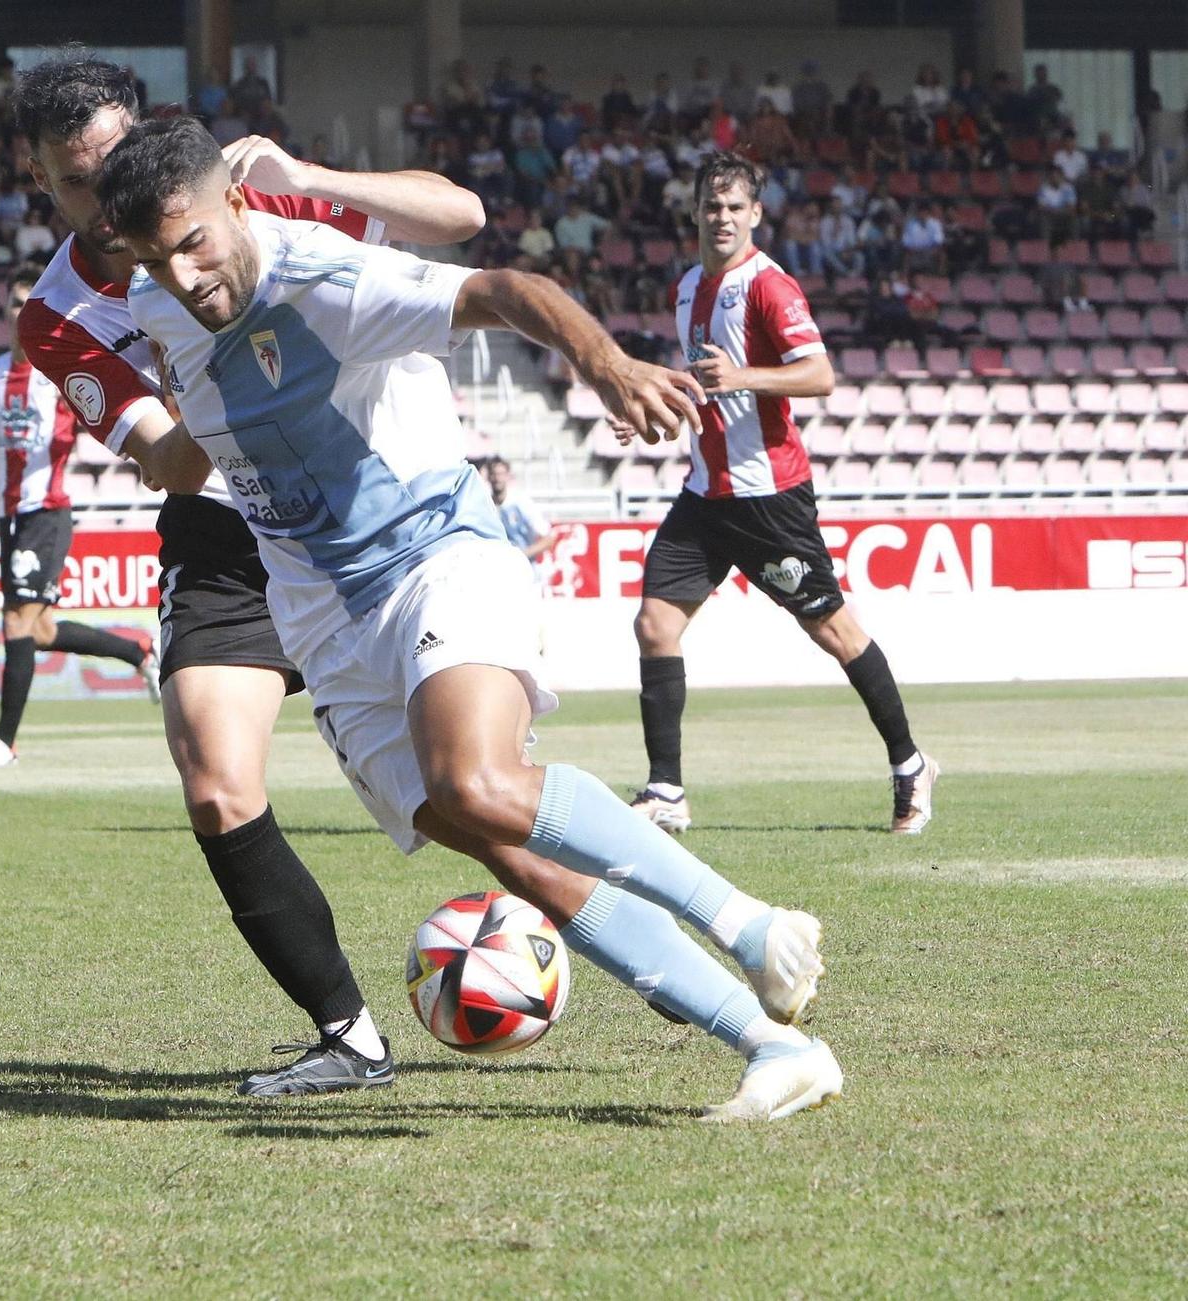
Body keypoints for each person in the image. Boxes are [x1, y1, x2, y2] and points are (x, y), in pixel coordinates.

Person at [99, 116, 842, 1122]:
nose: (182, 276)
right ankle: (770, 1042)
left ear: (234, 205)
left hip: (433, 557)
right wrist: (157, 447)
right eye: (155, 257)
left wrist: (605, 361)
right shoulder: (158, 300)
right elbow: (207, 434)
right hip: (324, 619)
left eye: (193, 243)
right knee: (497, 838)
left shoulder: (321, 280)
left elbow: (497, 286)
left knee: (477, 778)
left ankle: (747, 922)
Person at [9, 56, 484, 1098]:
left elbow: (459, 214)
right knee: (216, 784)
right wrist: (214, 381)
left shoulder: (238, 197)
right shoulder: (54, 317)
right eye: (72, 180)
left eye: (110, 161)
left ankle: (630, 909)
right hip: (228, 540)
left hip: (366, 518)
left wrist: (314, 176)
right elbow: (172, 462)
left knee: (467, 798)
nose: (97, 195)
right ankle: (348, 1035)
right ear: (39, 180)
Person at [622, 152, 936, 836]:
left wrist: (743, 377)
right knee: (655, 625)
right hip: (705, 495)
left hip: (769, 498)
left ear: (757, 214)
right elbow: (704, 381)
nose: (723, 217)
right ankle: (666, 789)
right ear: (695, 211)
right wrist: (647, 406)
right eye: (712, 205)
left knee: (835, 631)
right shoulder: (686, 288)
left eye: (736, 207)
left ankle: (910, 763)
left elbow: (820, 374)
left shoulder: (770, 287)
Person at [0, 269, 162, 769]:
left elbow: (98, 411)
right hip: (9, 512)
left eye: (28, 302)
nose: (19, 311)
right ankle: (139, 651)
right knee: (39, 630)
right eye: (13, 303)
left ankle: (4, 741)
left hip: (48, 509)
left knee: (16, 622)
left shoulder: (56, 371)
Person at [482, 457, 555, 569]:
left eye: (501, 474)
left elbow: (548, 539)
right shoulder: (486, 505)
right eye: (493, 474)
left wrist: (521, 556)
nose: (497, 478)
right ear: (488, 477)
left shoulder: (521, 502)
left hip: (526, 571)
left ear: (507, 476)